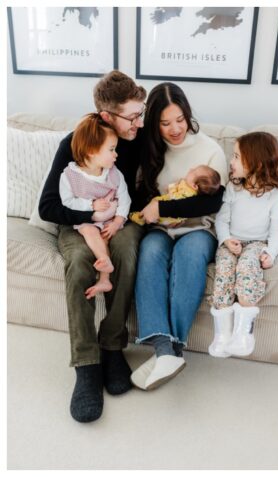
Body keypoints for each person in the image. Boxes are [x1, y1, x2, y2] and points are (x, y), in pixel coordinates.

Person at [37, 70, 147, 423]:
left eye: (141, 113)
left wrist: (118, 217)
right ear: (106, 116)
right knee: (81, 261)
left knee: (127, 252)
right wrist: (89, 214)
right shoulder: (75, 143)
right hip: (78, 223)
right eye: (132, 116)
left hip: (120, 220)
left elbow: (142, 192)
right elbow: (48, 206)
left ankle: (112, 346)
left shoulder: (140, 141)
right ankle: (86, 364)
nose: (139, 123)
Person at [129, 82, 228, 391]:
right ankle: (162, 349)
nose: (175, 129)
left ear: (188, 115)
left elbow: (211, 201)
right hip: (162, 228)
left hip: (200, 227)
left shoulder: (210, 150)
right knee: (150, 252)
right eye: (165, 122)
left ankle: (173, 349)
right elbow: (142, 196)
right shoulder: (149, 148)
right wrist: (156, 211)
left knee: (189, 254)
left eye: (180, 120)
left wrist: (164, 205)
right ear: (154, 122)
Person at [209, 132, 278, 358]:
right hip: (231, 240)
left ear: (256, 163)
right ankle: (222, 335)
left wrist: (270, 253)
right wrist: (225, 239)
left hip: (256, 243)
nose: (231, 162)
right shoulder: (233, 189)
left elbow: (277, 231)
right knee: (223, 272)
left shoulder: (275, 197)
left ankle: (244, 334)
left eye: (236, 157)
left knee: (246, 270)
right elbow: (221, 219)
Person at [59, 113, 132, 300]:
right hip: (87, 219)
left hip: (110, 218)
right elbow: (67, 202)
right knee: (90, 232)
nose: (116, 154)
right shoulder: (70, 175)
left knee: (106, 237)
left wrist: (117, 222)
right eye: (111, 149)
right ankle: (105, 263)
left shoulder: (114, 174)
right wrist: (90, 205)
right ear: (92, 151)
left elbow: (125, 199)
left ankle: (105, 279)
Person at [129, 164, 221, 226]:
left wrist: (161, 206)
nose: (190, 169)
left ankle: (140, 218)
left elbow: (175, 197)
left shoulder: (187, 192)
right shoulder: (187, 186)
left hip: (170, 216)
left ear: (194, 186)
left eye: (193, 172)